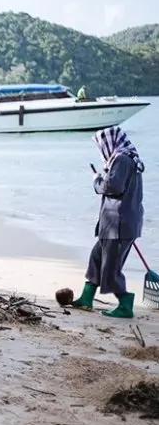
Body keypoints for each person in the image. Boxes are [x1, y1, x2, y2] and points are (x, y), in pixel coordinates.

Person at [72, 125, 144, 318]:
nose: (101, 149)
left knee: (111, 267)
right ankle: (86, 298)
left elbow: (114, 186)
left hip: (118, 224)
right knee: (97, 258)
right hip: (118, 223)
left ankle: (125, 303)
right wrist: (104, 176)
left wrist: (97, 181)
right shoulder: (129, 160)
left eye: (102, 145)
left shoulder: (121, 159)